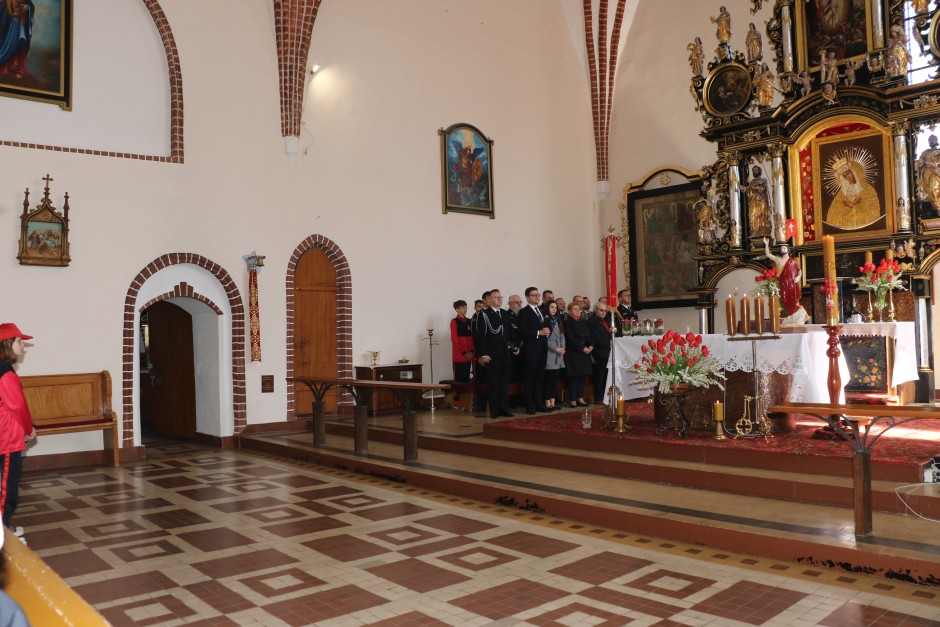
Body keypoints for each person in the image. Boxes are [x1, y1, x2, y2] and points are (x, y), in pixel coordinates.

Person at [0, 323, 36, 542]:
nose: (23, 345)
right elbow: (17, 405)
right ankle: (3, 533)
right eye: (19, 341)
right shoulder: (5, 371)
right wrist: (29, 429)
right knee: (6, 487)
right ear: (7, 344)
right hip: (7, 437)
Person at [475, 290, 517, 418]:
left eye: (500, 297)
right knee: (493, 384)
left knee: (504, 383)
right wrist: (483, 354)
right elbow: (480, 336)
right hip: (492, 354)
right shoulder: (484, 315)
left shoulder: (504, 313)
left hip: (505, 353)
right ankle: (494, 411)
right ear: (490, 299)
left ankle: (504, 408)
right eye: (496, 297)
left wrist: (514, 345)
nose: (499, 299)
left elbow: (509, 332)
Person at [517, 287, 550, 414]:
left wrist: (548, 330)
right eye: (534, 295)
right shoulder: (524, 312)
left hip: (542, 348)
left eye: (538, 295)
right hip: (531, 349)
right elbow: (522, 330)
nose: (537, 297)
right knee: (530, 378)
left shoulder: (542, 310)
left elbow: (546, 325)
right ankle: (529, 404)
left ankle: (539, 403)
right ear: (527, 297)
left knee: (540, 377)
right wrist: (538, 332)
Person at [826, 156, 881, 230]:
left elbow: (872, 204)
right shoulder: (842, 192)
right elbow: (835, 210)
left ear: (853, 171)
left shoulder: (867, 188)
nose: (848, 177)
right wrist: (849, 206)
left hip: (863, 223)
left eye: (848, 173)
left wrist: (856, 205)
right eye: (844, 176)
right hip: (847, 223)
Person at [763, 237, 805, 321]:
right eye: (782, 248)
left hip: (792, 283)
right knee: (784, 300)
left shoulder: (793, 261)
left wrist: (798, 277)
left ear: (788, 250)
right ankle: (790, 315)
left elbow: (799, 271)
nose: (783, 249)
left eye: (784, 248)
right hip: (782, 283)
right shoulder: (778, 259)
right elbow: (768, 254)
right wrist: (766, 244)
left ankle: (794, 316)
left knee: (793, 300)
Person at [563, 302, 592, 408]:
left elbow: (590, 335)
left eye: (579, 309)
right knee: (574, 377)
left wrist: (591, 346)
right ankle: (573, 399)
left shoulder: (583, 322)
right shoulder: (567, 323)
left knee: (582, 376)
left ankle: (580, 397)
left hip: (585, 353)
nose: (578, 311)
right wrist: (582, 348)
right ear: (569, 311)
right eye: (575, 309)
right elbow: (571, 338)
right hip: (574, 353)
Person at [588, 303, 617, 405]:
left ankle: (606, 396)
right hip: (599, 352)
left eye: (605, 311)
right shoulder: (591, 322)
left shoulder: (608, 320)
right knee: (599, 376)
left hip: (608, 352)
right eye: (601, 310)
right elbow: (594, 337)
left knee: (606, 376)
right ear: (595, 310)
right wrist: (607, 343)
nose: (603, 312)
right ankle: (598, 397)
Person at [449, 300, 474, 411]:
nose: (465, 309)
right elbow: (454, 340)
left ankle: (466, 402)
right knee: (459, 381)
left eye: (466, 307)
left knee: (466, 379)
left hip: (469, 356)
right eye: (462, 307)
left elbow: (472, 339)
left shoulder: (469, 321)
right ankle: (457, 401)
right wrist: (464, 353)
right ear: (457, 309)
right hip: (459, 357)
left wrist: (472, 351)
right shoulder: (454, 322)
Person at [542, 301, 565, 411]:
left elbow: (562, 335)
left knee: (555, 379)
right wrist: (555, 349)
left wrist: (562, 347)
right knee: (549, 380)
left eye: (555, 307)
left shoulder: (558, 320)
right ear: (547, 308)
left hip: (559, 352)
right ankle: (547, 402)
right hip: (550, 352)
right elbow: (545, 339)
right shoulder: (545, 320)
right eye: (552, 307)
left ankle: (553, 401)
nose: (554, 309)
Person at [746, 165, 772, 237]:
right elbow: (748, 190)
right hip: (753, 200)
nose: (754, 171)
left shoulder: (763, 180)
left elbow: (763, 189)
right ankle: (754, 231)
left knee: (762, 215)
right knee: (752, 214)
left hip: (762, 200)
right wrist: (745, 189)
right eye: (753, 170)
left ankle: (762, 230)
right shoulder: (751, 182)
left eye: (756, 170)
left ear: (760, 171)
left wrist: (757, 188)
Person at [916, 135, 940, 210]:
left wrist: (935, 166)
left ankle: (938, 207)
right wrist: (921, 162)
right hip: (926, 173)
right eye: (930, 140)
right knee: (928, 190)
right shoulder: (925, 152)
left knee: (935, 189)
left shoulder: (939, 151)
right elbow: (920, 161)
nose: (931, 141)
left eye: (933, 139)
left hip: (936, 172)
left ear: (936, 140)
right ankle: (935, 206)